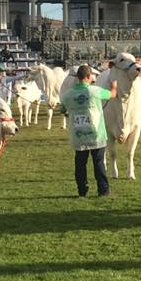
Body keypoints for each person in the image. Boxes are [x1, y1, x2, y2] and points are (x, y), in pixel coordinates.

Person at [60, 63, 114, 197]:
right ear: (89, 77)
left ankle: (82, 191)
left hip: (78, 136)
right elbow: (112, 94)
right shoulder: (94, 91)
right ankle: (103, 190)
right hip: (96, 135)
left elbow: (62, 109)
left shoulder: (67, 95)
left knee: (80, 164)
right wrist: (114, 85)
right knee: (98, 163)